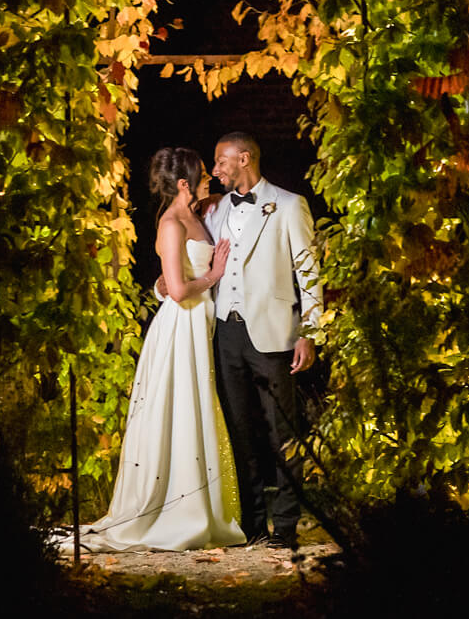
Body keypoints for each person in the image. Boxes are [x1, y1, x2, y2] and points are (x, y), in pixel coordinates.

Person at [77, 147, 245, 552]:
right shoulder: (170, 223)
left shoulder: (199, 213)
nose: (209, 178)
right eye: (203, 173)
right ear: (184, 183)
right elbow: (180, 288)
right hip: (181, 325)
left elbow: (168, 281)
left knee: (200, 405)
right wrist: (214, 275)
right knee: (183, 406)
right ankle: (178, 509)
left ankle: (206, 503)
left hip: (200, 321)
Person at [205, 131, 323, 551]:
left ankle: (286, 525)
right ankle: (252, 523)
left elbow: (308, 272)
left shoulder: (289, 205)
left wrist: (311, 331)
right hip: (227, 332)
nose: (215, 169)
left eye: (221, 161)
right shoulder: (216, 210)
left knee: (282, 432)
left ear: (245, 158)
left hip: (273, 333)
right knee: (240, 430)